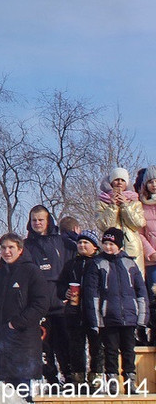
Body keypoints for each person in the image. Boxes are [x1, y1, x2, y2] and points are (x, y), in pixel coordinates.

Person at [84, 227, 148, 394]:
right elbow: (92, 295)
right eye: (105, 243)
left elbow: (141, 292)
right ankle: (112, 381)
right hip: (108, 316)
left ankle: (130, 381)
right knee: (110, 351)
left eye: (111, 244)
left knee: (129, 351)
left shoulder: (130, 263)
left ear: (119, 245)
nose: (108, 247)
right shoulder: (97, 263)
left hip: (129, 316)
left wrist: (142, 318)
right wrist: (96, 320)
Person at [0, 232, 52, 389]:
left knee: (22, 391)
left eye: (11, 248)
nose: (7, 252)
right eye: (3, 248)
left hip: (24, 342)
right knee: (5, 393)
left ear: (20, 250)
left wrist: (16, 323)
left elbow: (41, 303)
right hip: (2, 343)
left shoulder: (31, 271)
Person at [23, 205, 72, 384]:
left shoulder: (62, 242)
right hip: (39, 305)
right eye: (34, 220)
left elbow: (73, 267)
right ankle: (51, 380)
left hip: (60, 303)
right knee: (44, 346)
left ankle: (70, 378)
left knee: (65, 344)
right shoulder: (25, 246)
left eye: (40, 220)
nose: (37, 223)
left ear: (48, 221)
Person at [57, 230, 103, 386]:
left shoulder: (100, 263)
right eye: (80, 242)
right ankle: (78, 378)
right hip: (74, 312)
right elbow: (60, 286)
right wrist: (65, 292)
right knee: (76, 346)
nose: (82, 245)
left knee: (96, 346)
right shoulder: (71, 264)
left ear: (95, 247)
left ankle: (96, 377)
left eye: (86, 243)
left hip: (95, 312)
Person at [96, 167, 146, 276]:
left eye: (123, 180)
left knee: (135, 280)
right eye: (116, 179)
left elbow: (138, 224)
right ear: (111, 182)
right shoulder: (102, 202)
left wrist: (125, 206)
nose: (119, 183)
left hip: (133, 249)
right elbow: (104, 226)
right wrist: (113, 206)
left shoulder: (135, 202)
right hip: (111, 248)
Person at [136, 166, 156, 344]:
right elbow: (139, 234)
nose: (154, 184)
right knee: (154, 299)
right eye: (150, 181)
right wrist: (151, 253)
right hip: (152, 261)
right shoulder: (141, 206)